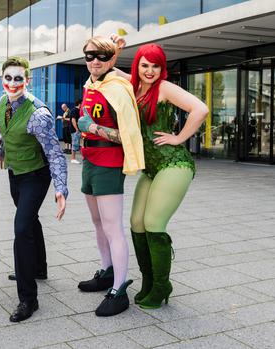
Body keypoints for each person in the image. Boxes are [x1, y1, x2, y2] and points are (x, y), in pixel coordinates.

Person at [105, 41, 208, 309]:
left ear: (161, 69)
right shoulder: (132, 86)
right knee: (136, 223)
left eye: (155, 66)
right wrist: (114, 52)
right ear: (137, 65)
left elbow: (201, 109)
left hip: (174, 164)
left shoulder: (164, 88)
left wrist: (179, 138)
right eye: (144, 65)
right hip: (150, 168)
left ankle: (162, 285)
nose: (150, 71)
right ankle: (149, 281)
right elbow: (107, 69)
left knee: (153, 222)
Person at [0, 56, 67, 322]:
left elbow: (56, 154)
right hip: (15, 173)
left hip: (36, 176)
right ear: (3, 79)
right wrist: (2, 150)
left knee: (21, 228)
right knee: (30, 221)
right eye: (8, 78)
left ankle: (28, 299)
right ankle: (38, 267)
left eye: (18, 78)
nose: (13, 83)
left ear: (28, 80)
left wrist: (61, 189)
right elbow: (6, 129)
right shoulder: (1, 103)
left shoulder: (39, 113)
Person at [75, 36, 145, 317]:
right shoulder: (93, 83)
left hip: (108, 162)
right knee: (97, 222)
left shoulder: (118, 88)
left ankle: (119, 289)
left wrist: (92, 127)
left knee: (112, 227)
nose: (94, 61)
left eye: (102, 57)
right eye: (89, 56)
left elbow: (129, 136)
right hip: (89, 161)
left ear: (112, 60)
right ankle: (107, 271)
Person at [69, 100, 82, 164]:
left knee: (80, 144)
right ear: (79, 104)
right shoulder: (75, 110)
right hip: (75, 130)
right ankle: (73, 158)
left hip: (78, 130)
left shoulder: (77, 110)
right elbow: (73, 120)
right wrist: (76, 128)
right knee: (75, 143)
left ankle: (84, 157)